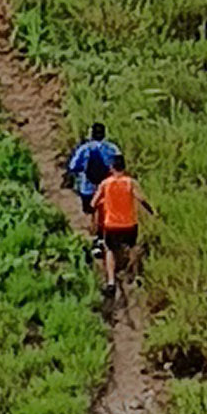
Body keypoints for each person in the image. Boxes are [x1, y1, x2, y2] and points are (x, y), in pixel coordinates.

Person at [92, 158, 146, 298]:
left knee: (109, 250)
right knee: (132, 247)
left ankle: (111, 282)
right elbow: (141, 199)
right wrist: (152, 211)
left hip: (111, 224)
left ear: (111, 168)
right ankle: (135, 275)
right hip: (129, 223)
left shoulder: (105, 184)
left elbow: (93, 203)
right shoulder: (130, 182)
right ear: (124, 167)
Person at [64, 123, 123, 213]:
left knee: (89, 210)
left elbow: (73, 166)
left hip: (88, 188)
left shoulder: (84, 148)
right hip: (109, 187)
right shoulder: (113, 148)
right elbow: (121, 165)